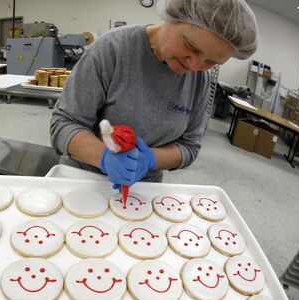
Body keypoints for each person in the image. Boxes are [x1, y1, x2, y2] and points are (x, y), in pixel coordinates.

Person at [50, 0, 258, 187]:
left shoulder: (200, 80)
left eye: (212, 62)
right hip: (82, 178)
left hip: (143, 190)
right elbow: (64, 123)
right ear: (172, 17)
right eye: (191, 46)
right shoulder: (113, 50)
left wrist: (149, 159)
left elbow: (189, 146)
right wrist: (104, 157)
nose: (195, 65)